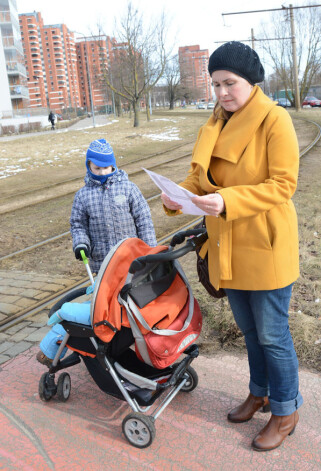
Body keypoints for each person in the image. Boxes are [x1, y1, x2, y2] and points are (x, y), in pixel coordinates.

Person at [161, 41, 302, 452]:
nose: (222, 92)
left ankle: (285, 410)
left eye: (230, 83)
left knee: (273, 335)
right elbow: (200, 178)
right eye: (215, 84)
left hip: (264, 243)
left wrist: (228, 201)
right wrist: (178, 195)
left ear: (251, 81)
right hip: (227, 245)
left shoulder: (275, 120)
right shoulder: (215, 123)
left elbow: (283, 184)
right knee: (251, 333)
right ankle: (259, 393)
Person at [70, 138, 157, 274]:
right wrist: (80, 242)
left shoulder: (128, 188)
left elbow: (143, 220)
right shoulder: (83, 195)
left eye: (106, 167)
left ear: (113, 165)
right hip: (102, 263)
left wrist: (150, 251)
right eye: (97, 168)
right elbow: (78, 224)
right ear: (89, 166)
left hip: (132, 258)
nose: (102, 172)